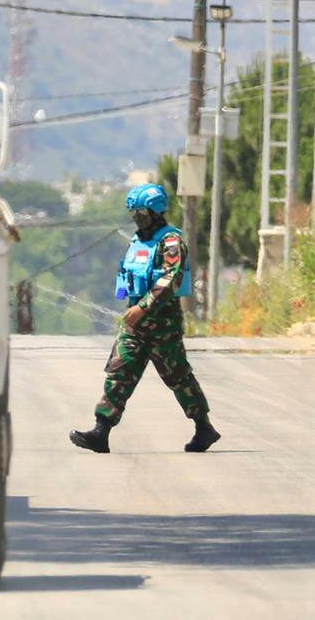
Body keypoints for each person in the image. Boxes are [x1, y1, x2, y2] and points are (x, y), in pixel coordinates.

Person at [70, 183, 221, 454]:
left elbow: (171, 278)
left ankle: (203, 427)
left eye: (141, 213)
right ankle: (101, 431)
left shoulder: (171, 241)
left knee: (179, 378)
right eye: (133, 213)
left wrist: (143, 307)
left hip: (163, 326)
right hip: (135, 327)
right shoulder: (138, 241)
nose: (136, 218)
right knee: (119, 373)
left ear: (155, 211)